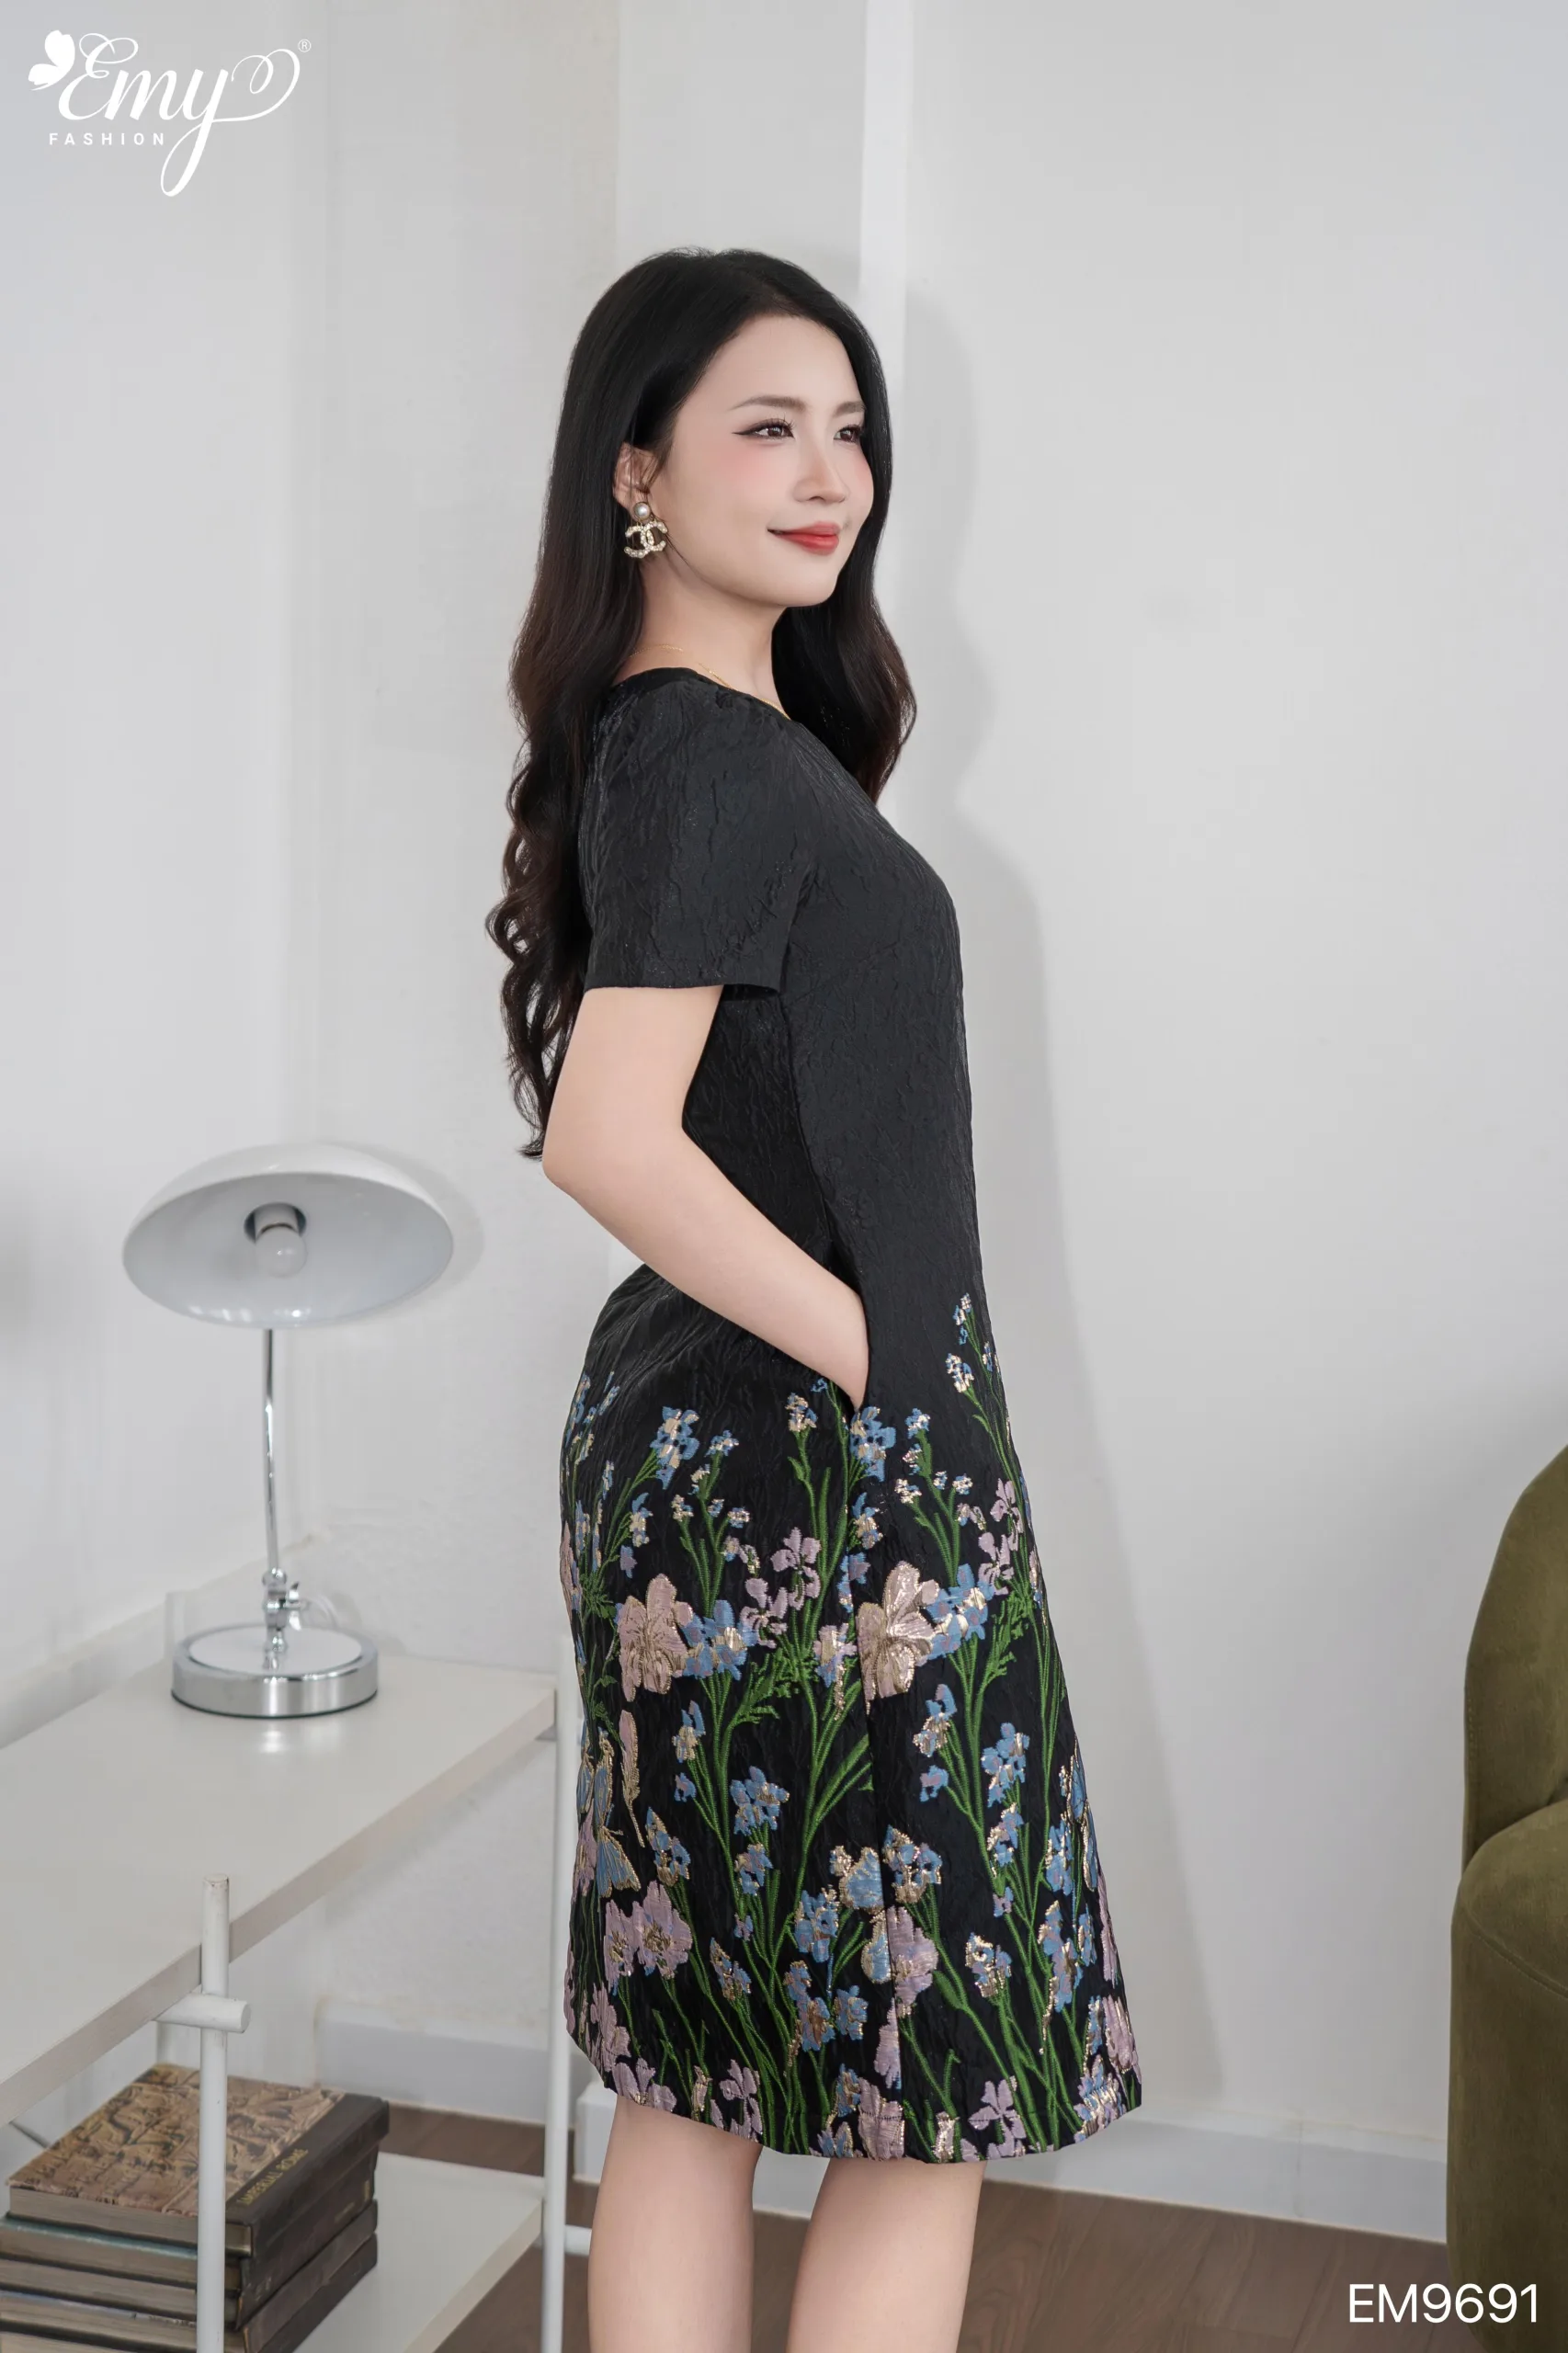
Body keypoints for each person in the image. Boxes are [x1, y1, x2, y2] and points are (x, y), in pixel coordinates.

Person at [488, 247, 1142, 2353]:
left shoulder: (712, 745)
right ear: (636, 474)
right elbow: (608, 1135)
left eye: (848, 427)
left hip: (746, 1458)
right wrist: (886, 1358)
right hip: (817, 1465)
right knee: (922, 2080)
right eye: (766, 425)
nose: (827, 470)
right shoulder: (700, 755)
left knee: (704, 2058)